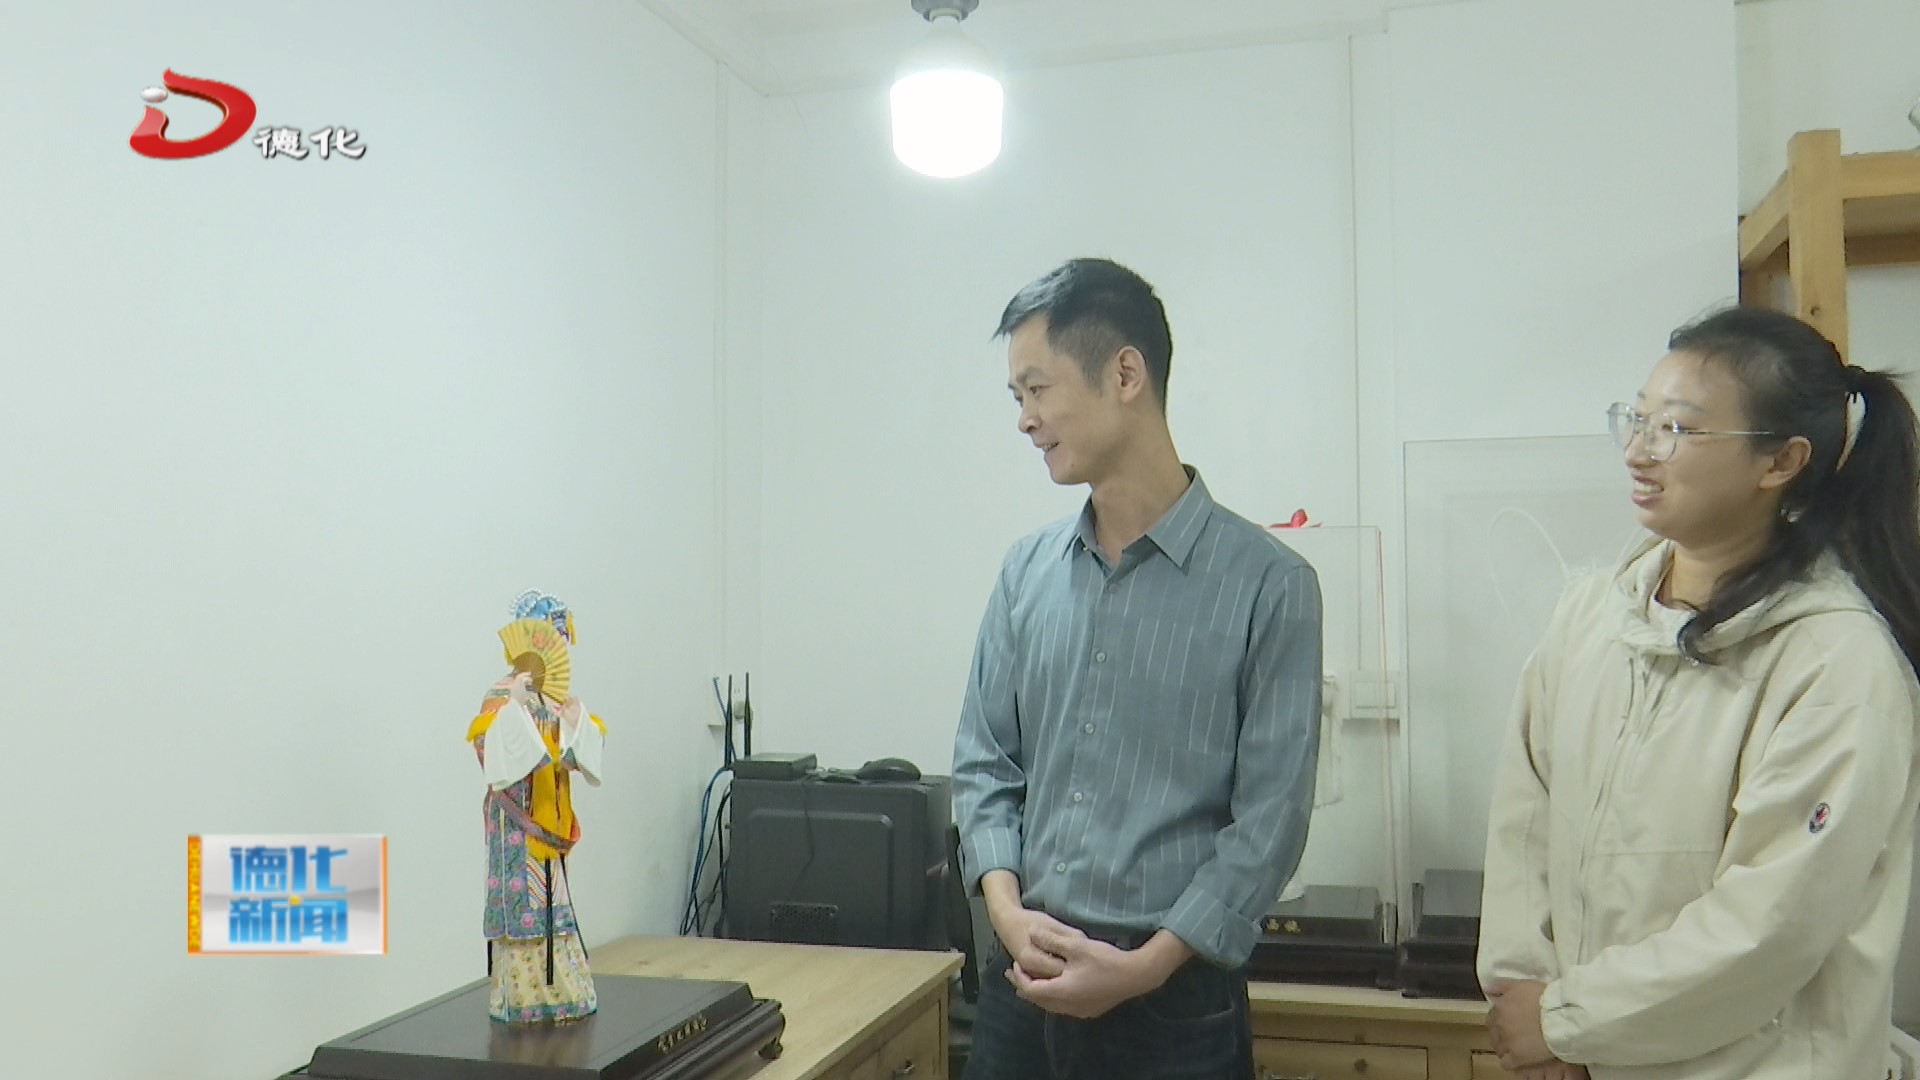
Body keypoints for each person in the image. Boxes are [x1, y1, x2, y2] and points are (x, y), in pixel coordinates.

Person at [1477, 307, 1920, 1079]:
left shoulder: (1836, 664)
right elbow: (1524, 817)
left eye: (1676, 429)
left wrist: (1567, 1022)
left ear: (1780, 461)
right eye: (1637, 419)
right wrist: (1530, 1000)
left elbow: (1768, 929)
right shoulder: (1593, 617)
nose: (1638, 451)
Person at [951, 257, 1324, 1079]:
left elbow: (1270, 822)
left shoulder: (1271, 585)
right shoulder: (1024, 573)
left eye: (1037, 389)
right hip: (1022, 987)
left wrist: (1145, 968)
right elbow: (985, 765)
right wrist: (1007, 917)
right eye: (1016, 398)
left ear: (1125, 374)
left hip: (1175, 1008)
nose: (1025, 420)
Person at [467, 590, 608, 1024]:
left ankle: (563, 990)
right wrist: (515, 709)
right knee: (526, 902)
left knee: (554, 898)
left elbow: (571, 757)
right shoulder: (502, 694)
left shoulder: (554, 698)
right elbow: (489, 753)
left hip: (550, 813)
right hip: (516, 820)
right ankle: (526, 997)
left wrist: (575, 724)